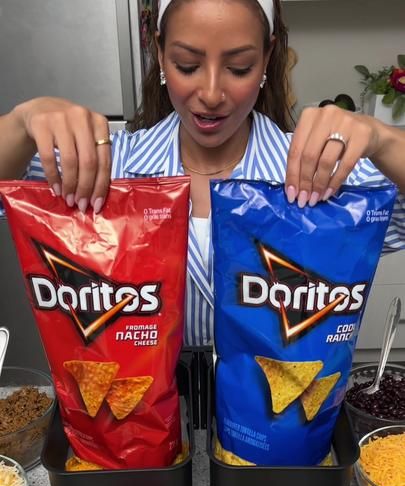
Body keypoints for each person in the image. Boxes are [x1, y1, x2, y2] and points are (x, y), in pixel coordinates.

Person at [0, 0, 404, 345]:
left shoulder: (318, 175)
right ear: (159, 54)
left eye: (240, 67)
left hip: (280, 427)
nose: (211, 94)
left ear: (267, 56)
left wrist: (384, 139)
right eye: (187, 65)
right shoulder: (107, 168)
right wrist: (21, 124)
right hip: (140, 427)